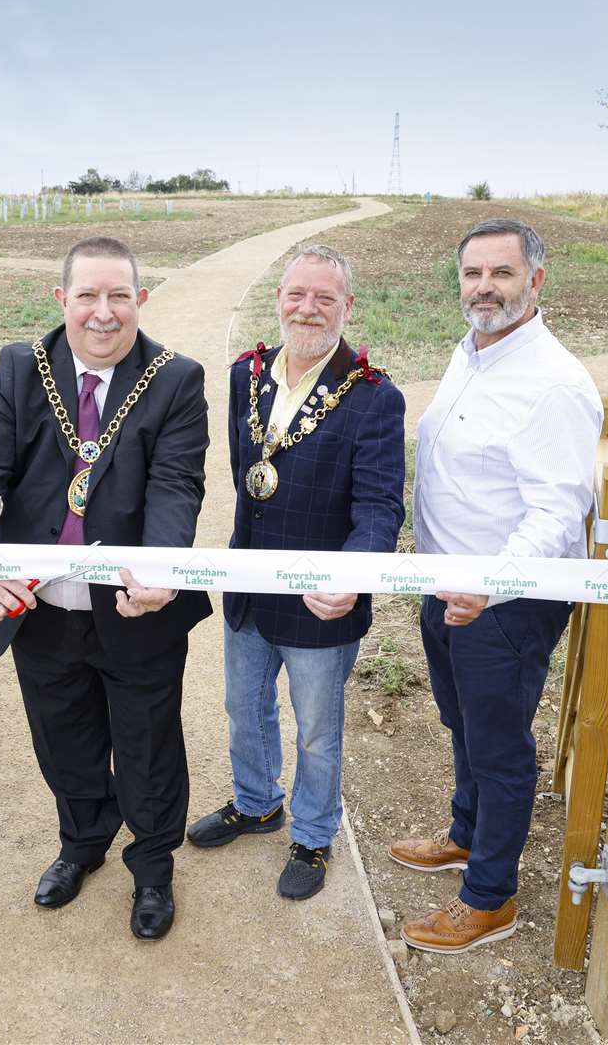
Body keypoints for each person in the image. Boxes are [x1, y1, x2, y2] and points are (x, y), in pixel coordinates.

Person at [0, 236, 209, 941]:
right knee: (63, 740)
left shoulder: (175, 378)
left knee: (149, 746)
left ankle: (153, 870)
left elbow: (176, 485)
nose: (103, 313)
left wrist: (160, 569)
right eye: (87, 296)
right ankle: (81, 844)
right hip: (41, 610)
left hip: (135, 608)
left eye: (118, 296)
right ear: (61, 299)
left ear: (139, 301)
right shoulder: (17, 369)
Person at [391, 218, 602, 952]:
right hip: (448, 583)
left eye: (501, 274)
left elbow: (557, 510)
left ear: (534, 282)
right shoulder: (472, 354)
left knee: (500, 748)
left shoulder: (552, 383)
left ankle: (489, 899)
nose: (484, 287)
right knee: (463, 726)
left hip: (504, 601)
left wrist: (490, 583)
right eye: (473, 274)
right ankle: (464, 834)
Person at [186, 245, 405, 900]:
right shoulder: (242, 375)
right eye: (296, 295)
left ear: (347, 306)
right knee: (243, 707)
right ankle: (257, 803)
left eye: (324, 298)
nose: (307, 309)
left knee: (315, 730)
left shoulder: (373, 398)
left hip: (320, 603)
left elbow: (378, 507)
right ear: (278, 297)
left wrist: (353, 577)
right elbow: (246, 480)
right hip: (250, 587)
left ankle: (312, 835)